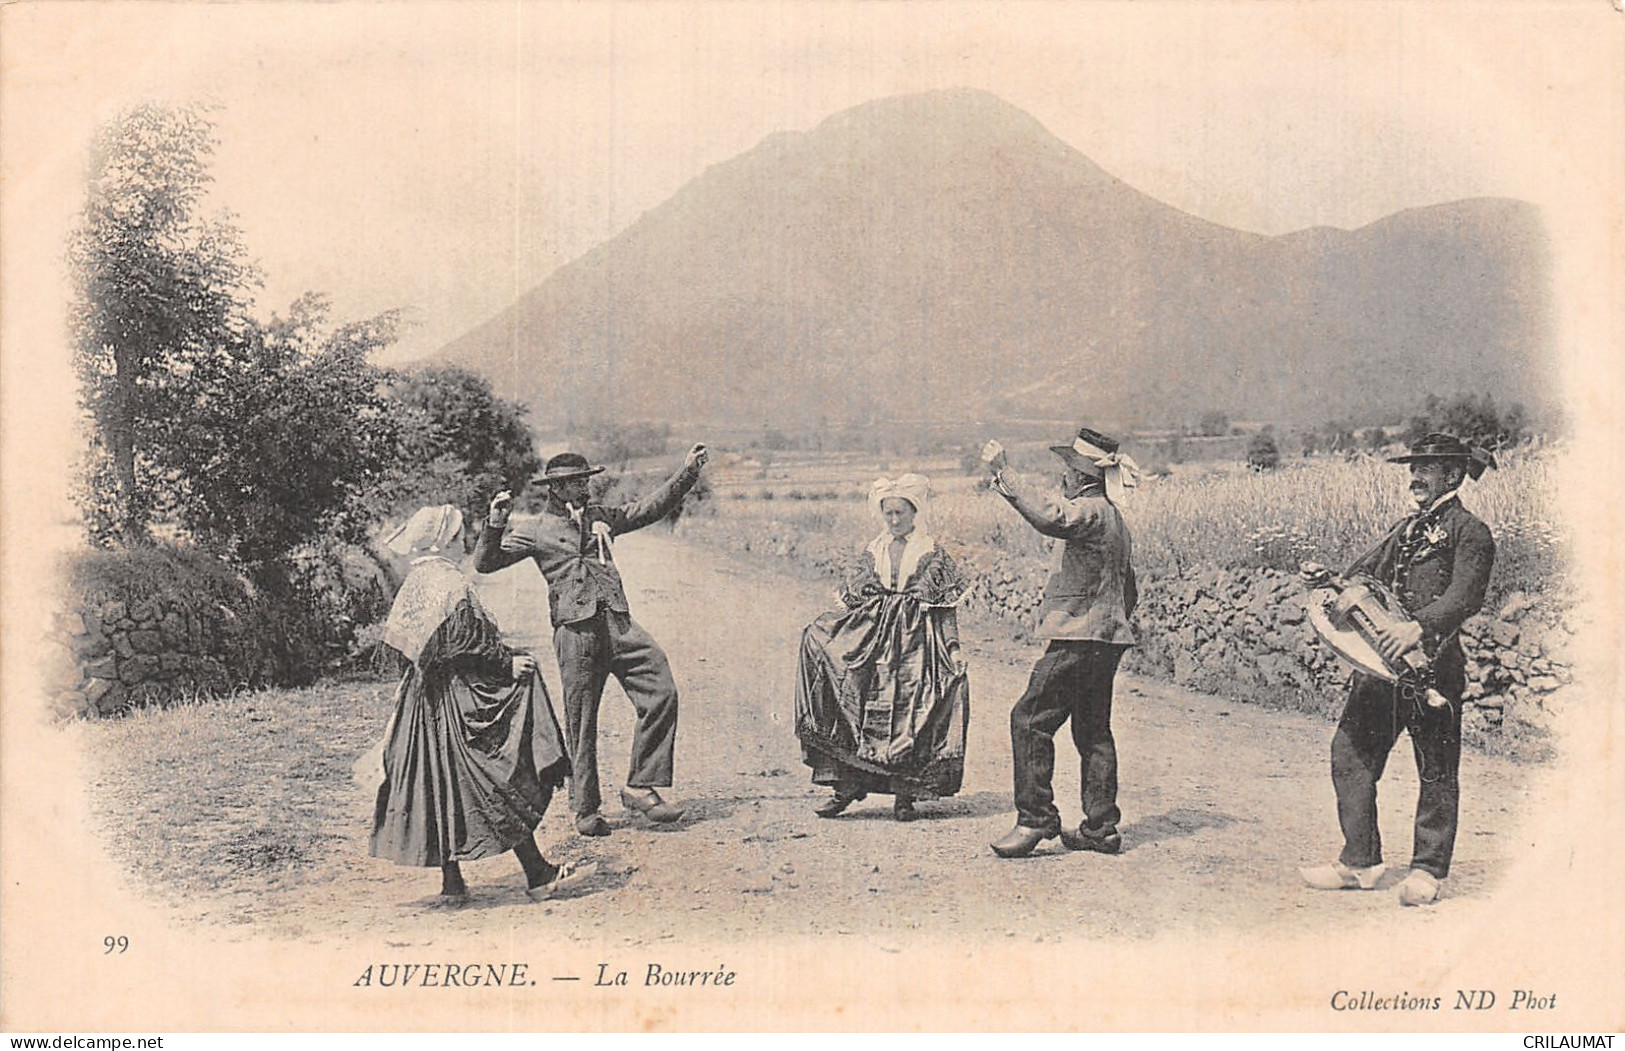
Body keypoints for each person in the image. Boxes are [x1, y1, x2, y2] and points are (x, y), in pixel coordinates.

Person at [1298, 432, 1497, 906]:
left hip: (1434, 669)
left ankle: (1428, 870)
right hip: (1380, 670)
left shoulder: (1471, 532)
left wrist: (1420, 627)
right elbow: (1367, 578)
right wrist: (1329, 579)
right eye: (1413, 469)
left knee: (1436, 768)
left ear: (1452, 474)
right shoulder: (1402, 529)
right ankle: (1360, 862)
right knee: (1349, 754)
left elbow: (1466, 595)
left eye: (1425, 469)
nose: (1415, 477)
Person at [475, 444, 709, 837]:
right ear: (558, 488)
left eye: (586, 480)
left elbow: (649, 508)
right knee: (581, 721)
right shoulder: (534, 529)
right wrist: (495, 522)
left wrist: (687, 472)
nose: (586, 488)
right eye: (578, 483)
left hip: (618, 623)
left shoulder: (602, 517)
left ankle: (639, 786)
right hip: (574, 632)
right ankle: (585, 808)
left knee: (661, 690)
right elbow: (486, 562)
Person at [366, 504, 590, 904]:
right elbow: (464, 642)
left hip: (423, 699)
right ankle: (538, 874)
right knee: (493, 779)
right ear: (444, 541)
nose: (463, 542)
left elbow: (406, 648)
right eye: (457, 536)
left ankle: (453, 884)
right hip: (458, 696)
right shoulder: (449, 583)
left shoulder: (416, 581)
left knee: (438, 784)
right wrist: (506, 662)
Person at [981, 427, 1140, 859]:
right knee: (1092, 730)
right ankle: (1101, 828)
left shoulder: (1090, 508)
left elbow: (1051, 517)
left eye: (1066, 470)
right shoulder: (1115, 519)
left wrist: (1004, 475)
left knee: (1029, 719)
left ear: (1082, 476)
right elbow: (1130, 589)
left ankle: (1035, 819)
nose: (1061, 478)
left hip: (1079, 637)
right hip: (1106, 638)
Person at [794, 474, 971, 822]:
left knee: (909, 714)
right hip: (872, 639)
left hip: (916, 643)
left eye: (900, 513)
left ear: (914, 511)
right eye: (888, 513)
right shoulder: (873, 550)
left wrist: (953, 648)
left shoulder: (931, 553)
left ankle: (904, 794)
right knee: (856, 707)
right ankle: (845, 786)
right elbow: (855, 599)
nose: (893, 520)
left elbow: (945, 607)